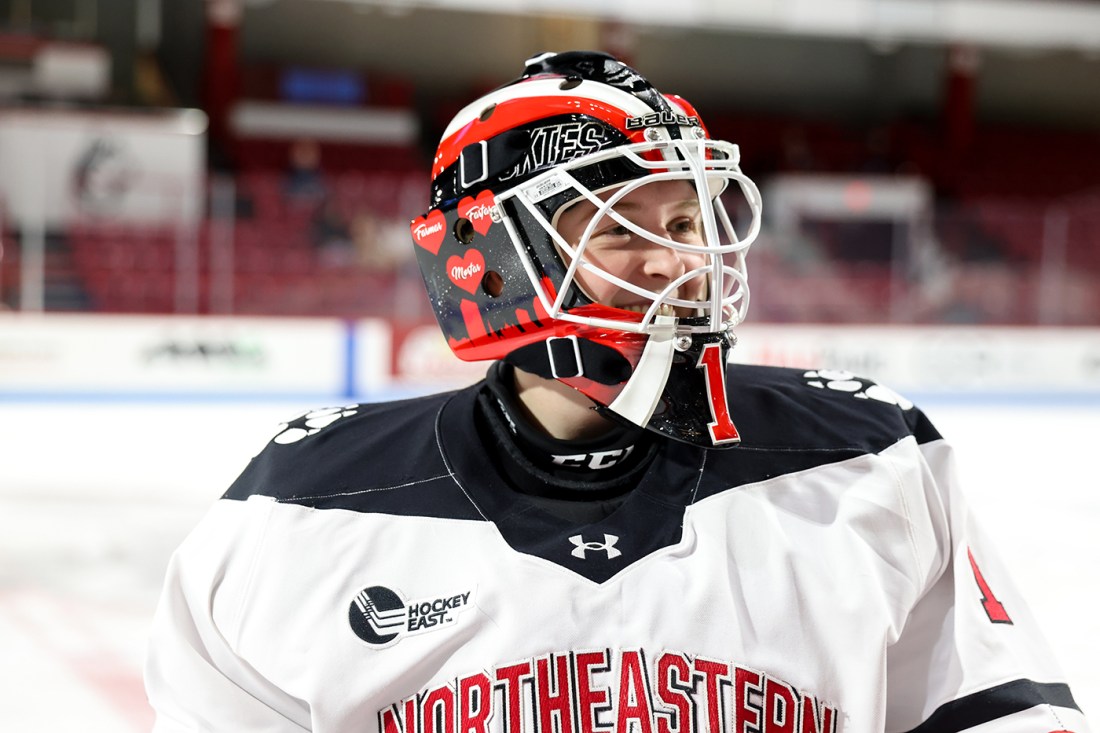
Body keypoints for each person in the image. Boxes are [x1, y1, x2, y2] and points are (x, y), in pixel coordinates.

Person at [144, 51, 1089, 733]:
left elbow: (992, 709)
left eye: (686, 217)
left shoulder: (872, 458)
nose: (679, 260)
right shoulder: (297, 511)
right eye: (621, 229)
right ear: (495, 265)